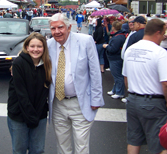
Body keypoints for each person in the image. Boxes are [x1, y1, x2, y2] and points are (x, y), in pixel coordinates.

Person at [47, 13, 104, 154]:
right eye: (53, 29)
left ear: (69, 27)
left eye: (60, 27)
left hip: (80, 102)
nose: (57, 32)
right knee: (62, 145)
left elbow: (95, 72)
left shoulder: (85, 41)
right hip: (57, 103)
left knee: (81, 145)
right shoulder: (48, 45)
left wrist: (96, 98)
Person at [122, 19, 167, 154]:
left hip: (133, 100)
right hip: (153, 101)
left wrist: (131, 93)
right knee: (159, 143)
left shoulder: (130, 50)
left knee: (134, 140)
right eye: (163, 33)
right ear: (158, 32)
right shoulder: (160, 52)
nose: (164, 37)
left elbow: (126, 78)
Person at [7, 32, 52, 154]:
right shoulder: (18, 64)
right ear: (27, 47)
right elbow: (21, 94)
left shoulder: (47, 65)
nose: (35, 50)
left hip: (39, 115)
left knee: (37, 150)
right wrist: (32, 117)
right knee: (19, 150)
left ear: (44, 48)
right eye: (32, 46)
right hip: (19, 115)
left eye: (39, 46)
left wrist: (38, 115)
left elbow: (45, 93)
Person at [103, 21, 126, 99]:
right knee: (116, 76)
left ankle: (119, 92)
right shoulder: (119, 35)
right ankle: (115, 90)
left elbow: (113, 49)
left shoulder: (118, 37)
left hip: (115, 58)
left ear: (113, 27)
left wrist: (106, 46)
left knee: (118, 76)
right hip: (115, 58)